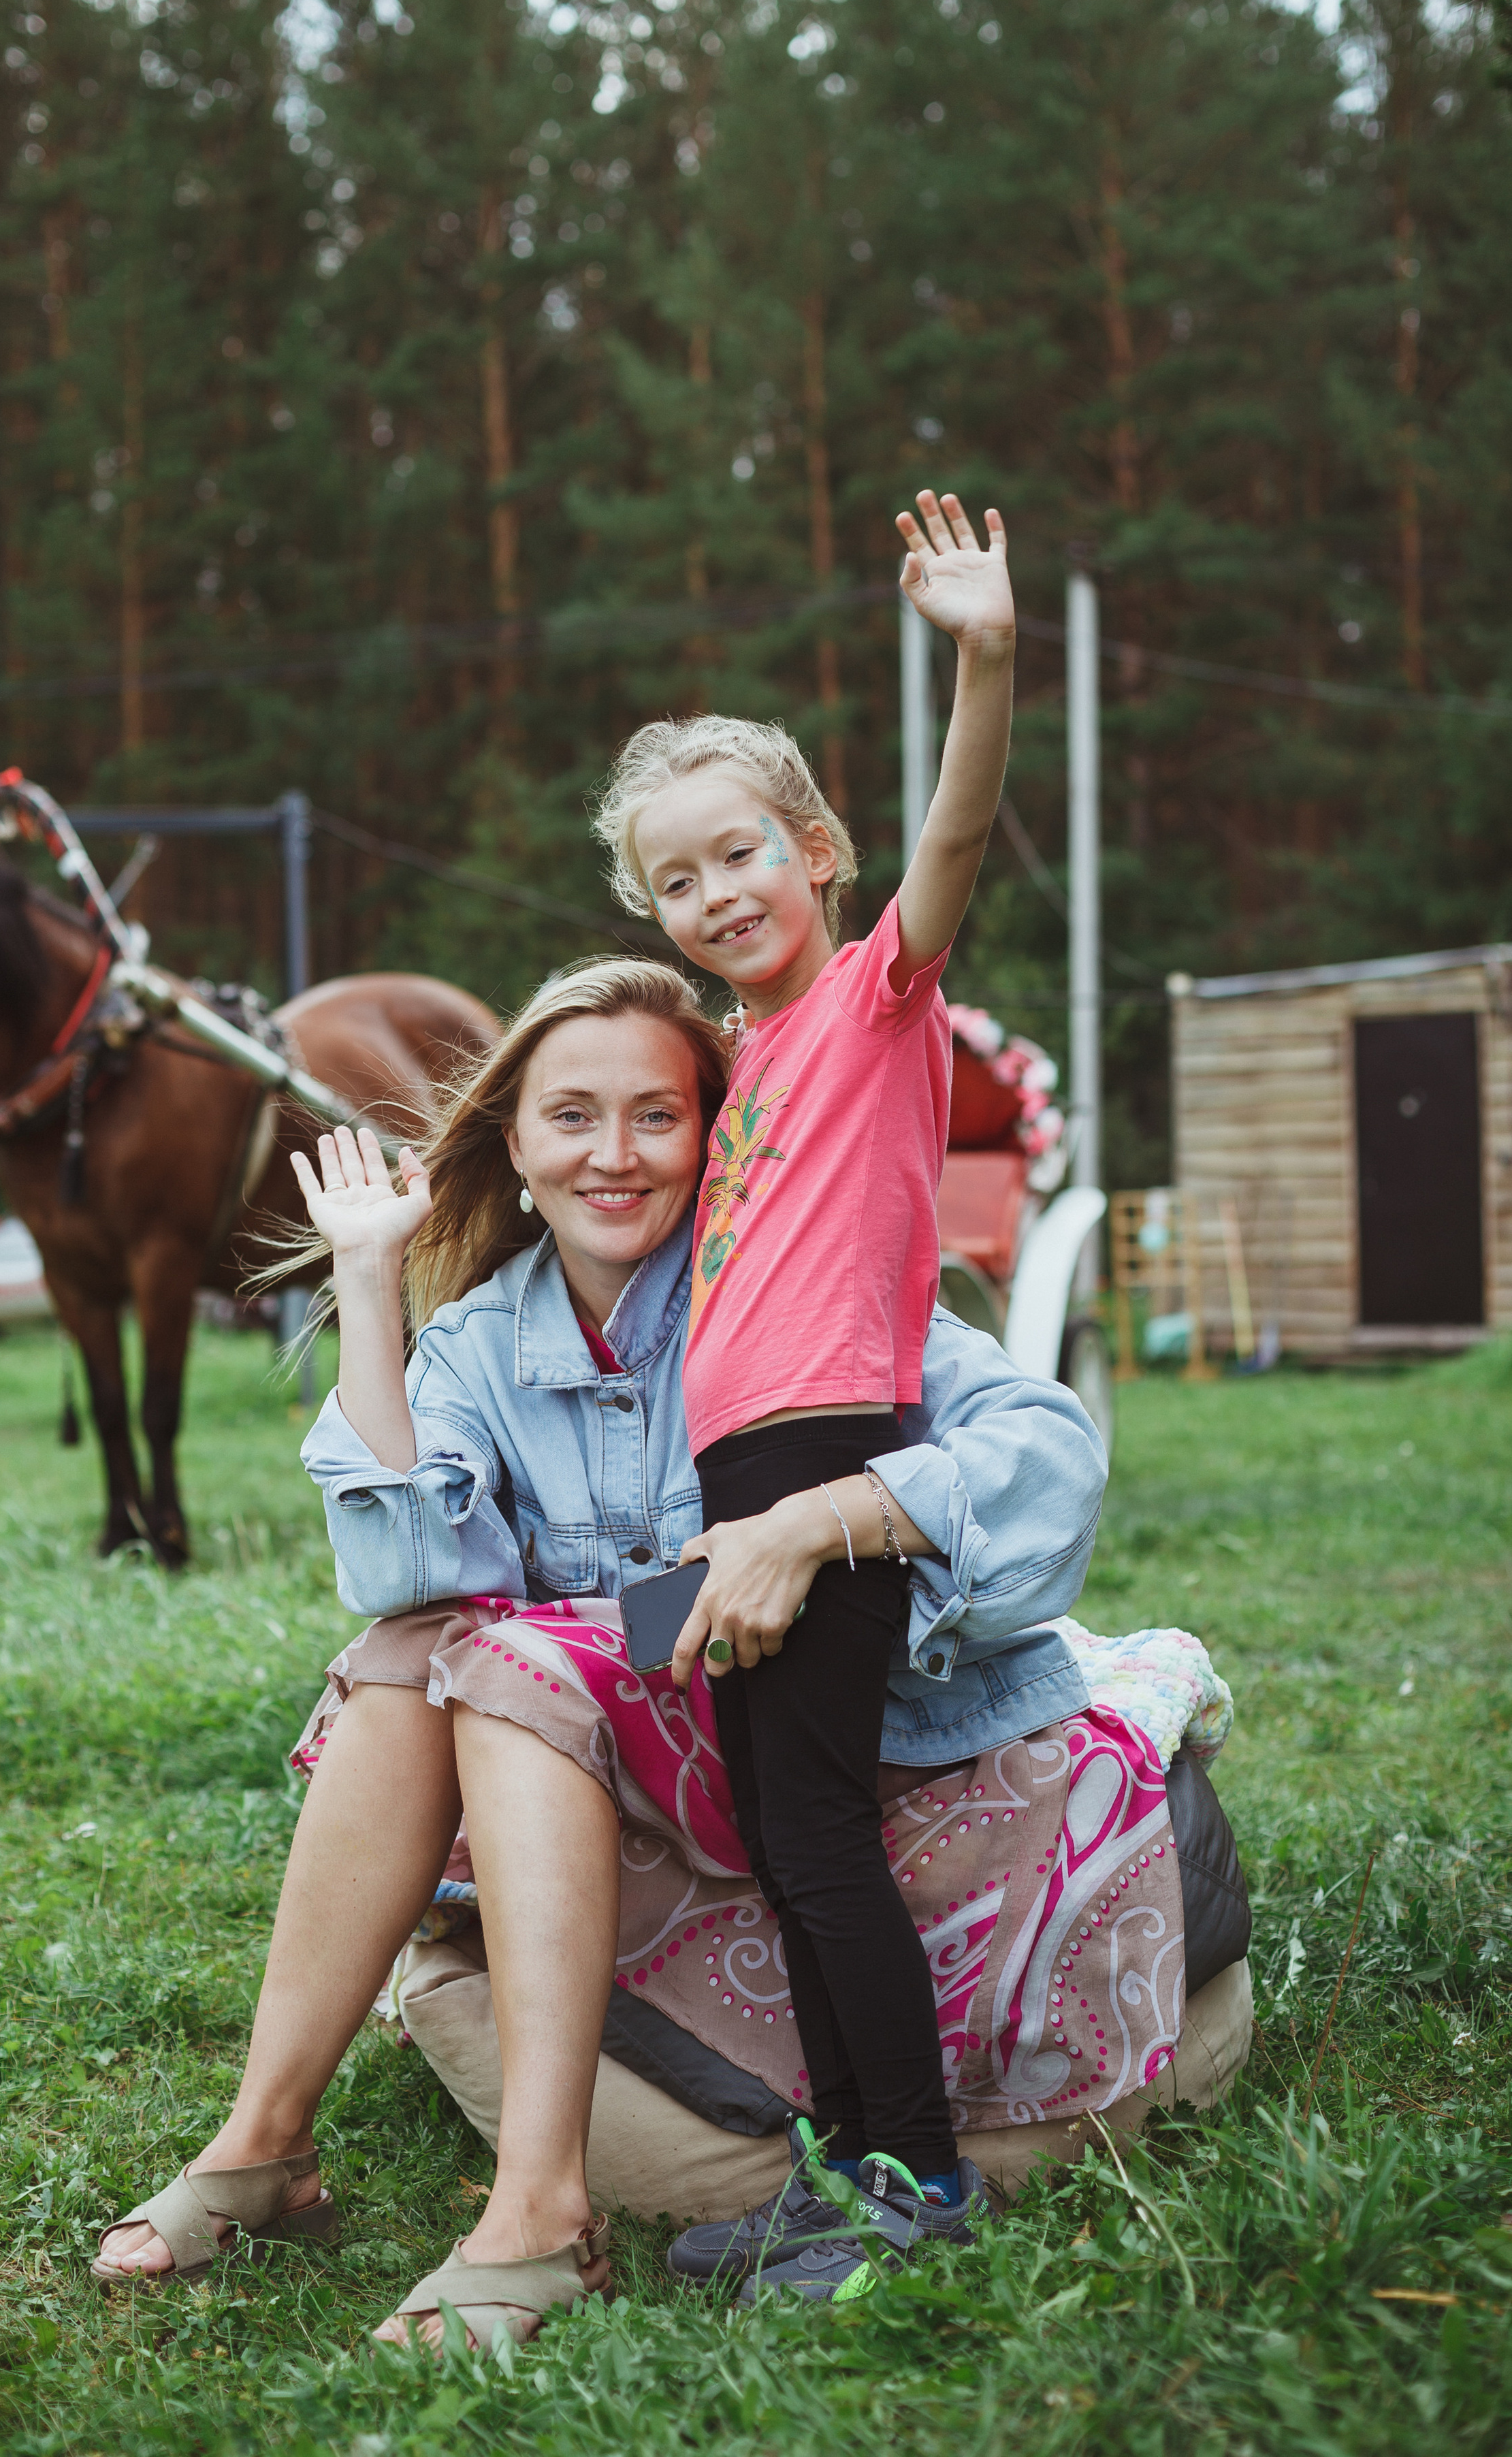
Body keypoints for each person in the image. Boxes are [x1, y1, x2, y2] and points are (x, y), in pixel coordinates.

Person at [88, 960, 1137, 2349]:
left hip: (809, 1722)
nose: (614, 1154)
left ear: (714, 1139)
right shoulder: (473, 1341)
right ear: (513, 1144)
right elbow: (403, 1574)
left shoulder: (789, 1302)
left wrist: (821, 1523)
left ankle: (537, 2210)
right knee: (412, 1652)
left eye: (656, 1116)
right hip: (603, 1735)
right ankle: (267, 2138)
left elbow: (1044, 1457)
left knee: (504, 1655)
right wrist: (366, 1272)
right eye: (571, 1116)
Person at [579, 489, 1016, 2292]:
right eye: (677, 880)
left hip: (834, 1454)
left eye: (740, 851)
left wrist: (982, 656)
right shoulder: (738, 1060)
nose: (715, 893)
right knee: (780, 1825)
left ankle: (915, 2184)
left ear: (818, 845)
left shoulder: (872, 998)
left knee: (820, 1823)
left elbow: (963, 834)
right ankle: (846, 2165)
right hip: (742, 1471)